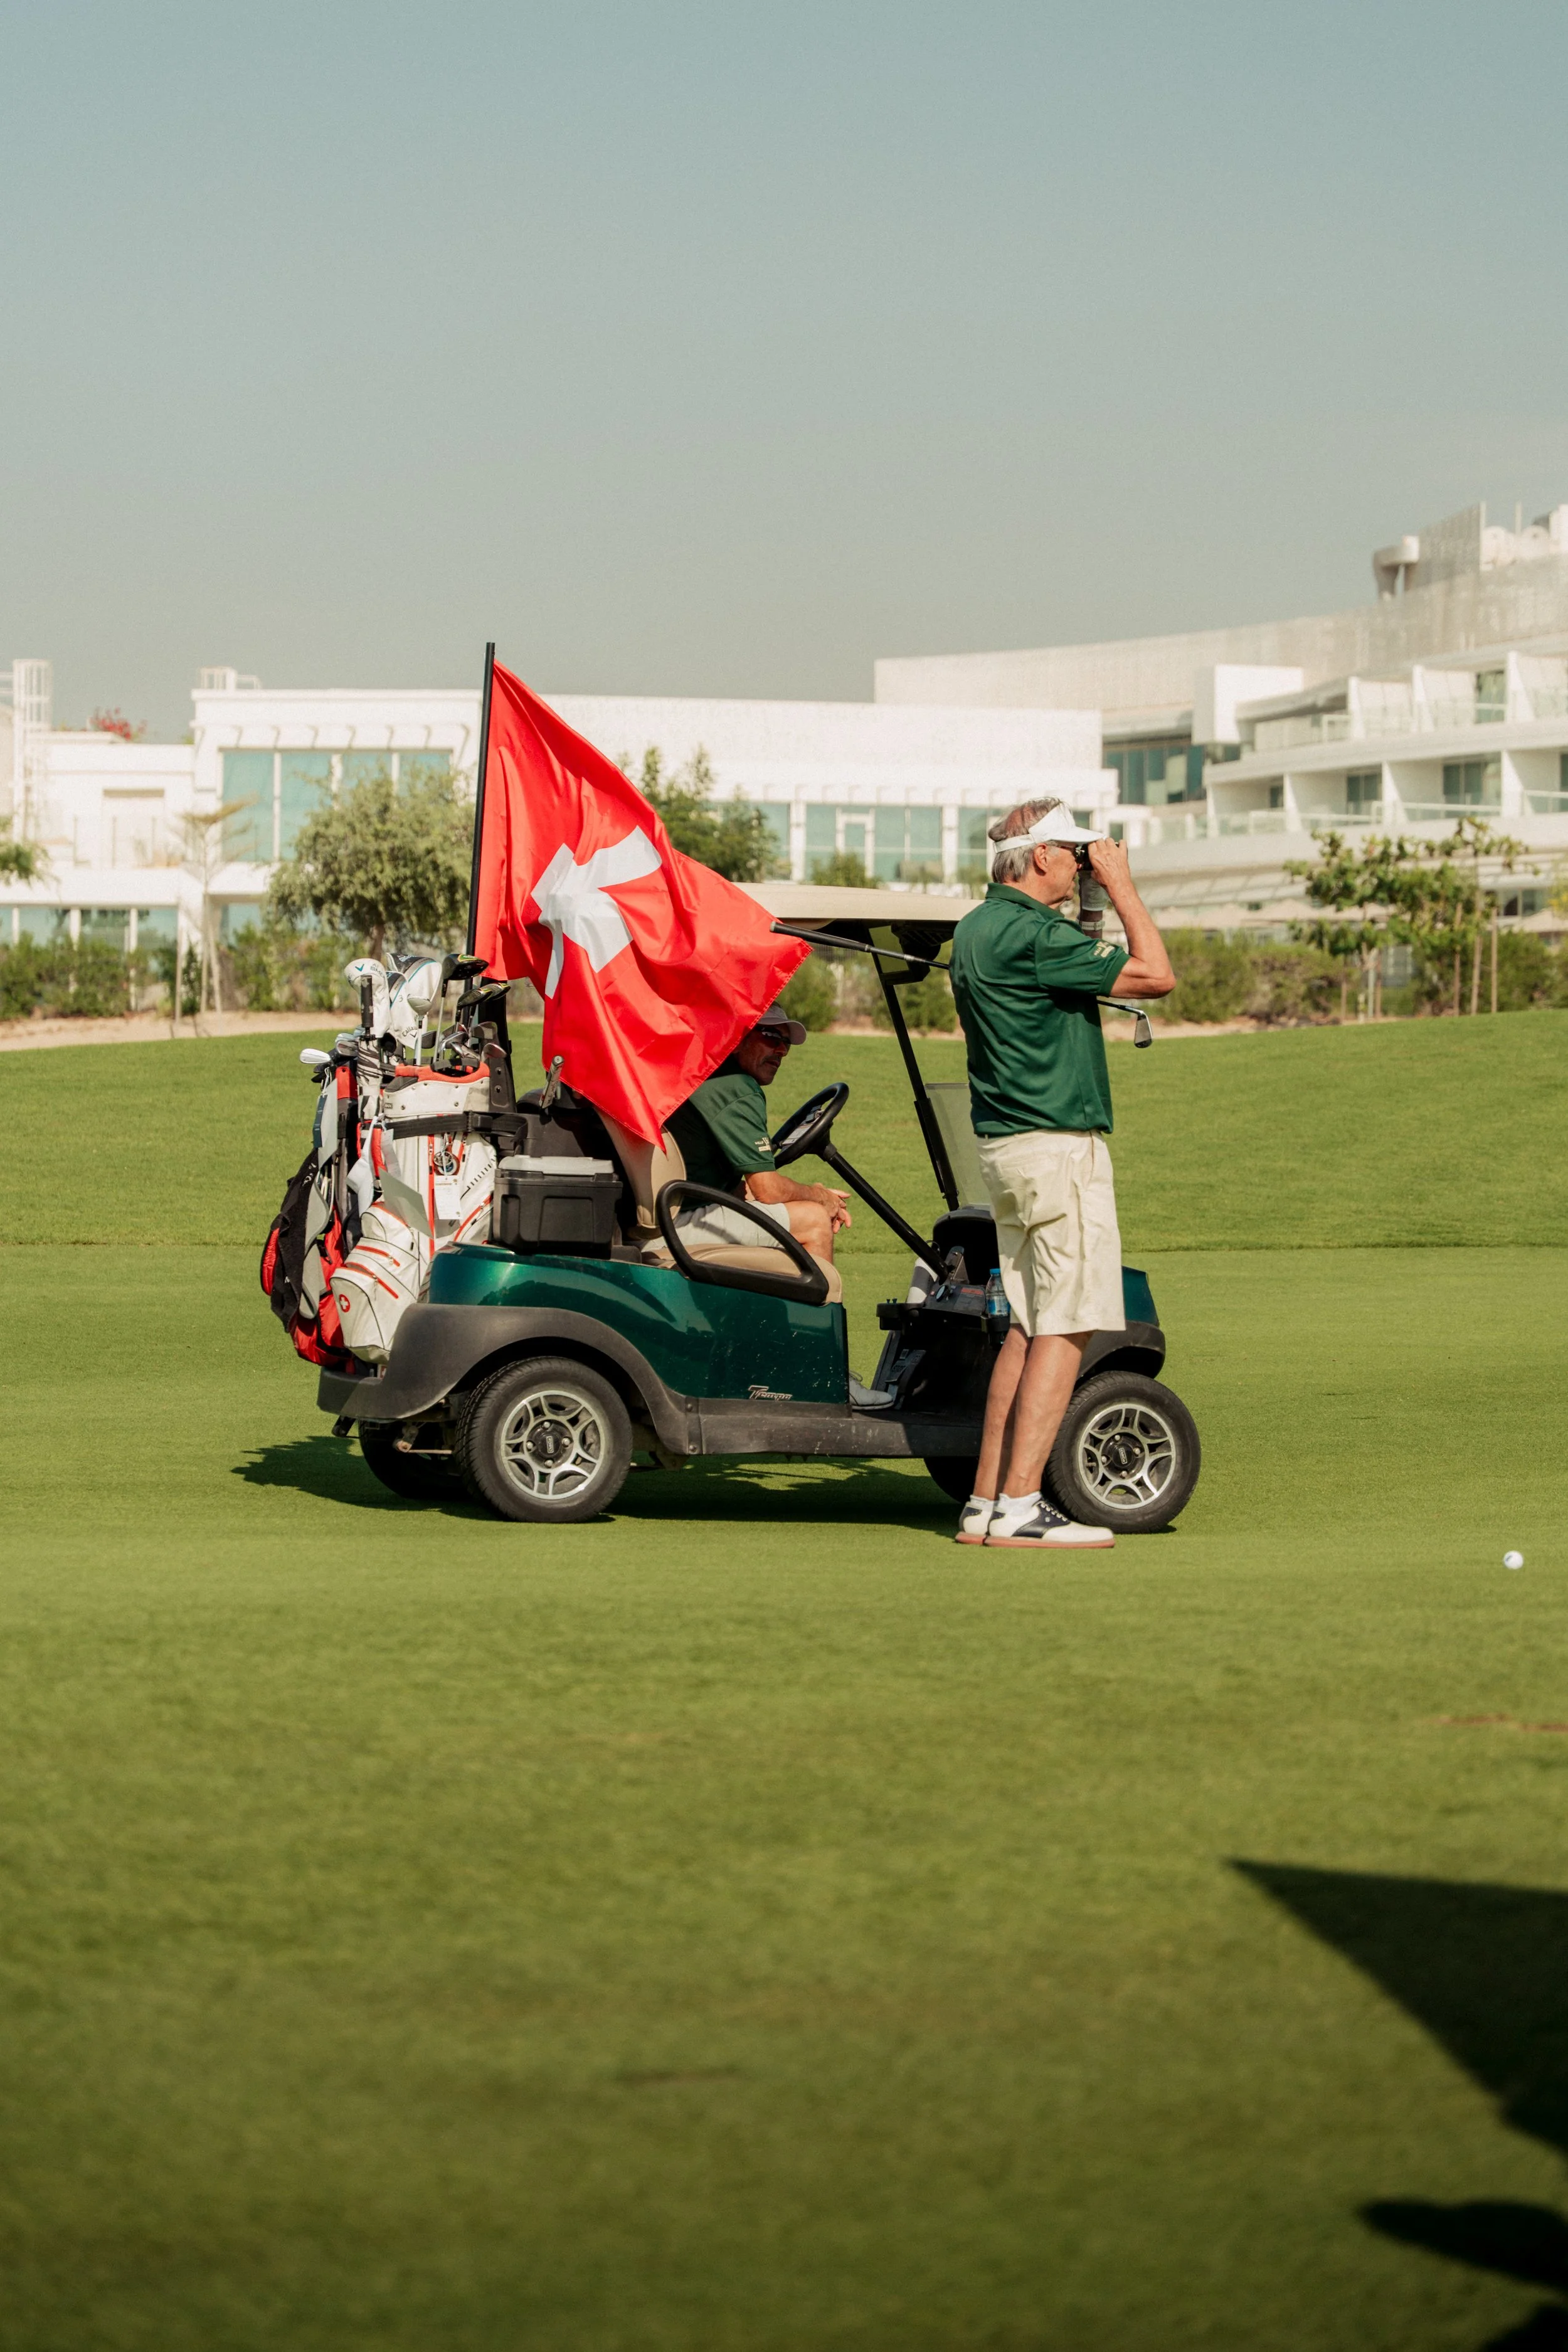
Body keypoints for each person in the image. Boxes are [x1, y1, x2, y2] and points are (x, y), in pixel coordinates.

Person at [948, 798, 1175, 1550]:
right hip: (1053, 1148)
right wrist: (1121, 886)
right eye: (1074, 853)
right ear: (1040, 856)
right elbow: (1154, 974)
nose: (1083, 862)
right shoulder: (1034, 933)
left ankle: (984, 1502)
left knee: (1026, 1326)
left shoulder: (979, 927)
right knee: (1068, 1325)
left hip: (1007, 1152)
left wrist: (1089, 901)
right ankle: (1018, 1505)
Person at [665, 1002, 852, 1266]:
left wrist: (813, 1193)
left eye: (786, 1043)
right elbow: (768, 1190)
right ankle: (824, 1307)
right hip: (673, 1222)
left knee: (804, 1207)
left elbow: (740, 1190)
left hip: (672, 1210)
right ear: (737, 1038)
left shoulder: (708, 1075)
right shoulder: (736, 1087)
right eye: (771, 1036)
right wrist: (819, 1198)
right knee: (814, 1220)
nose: (782, 1050)